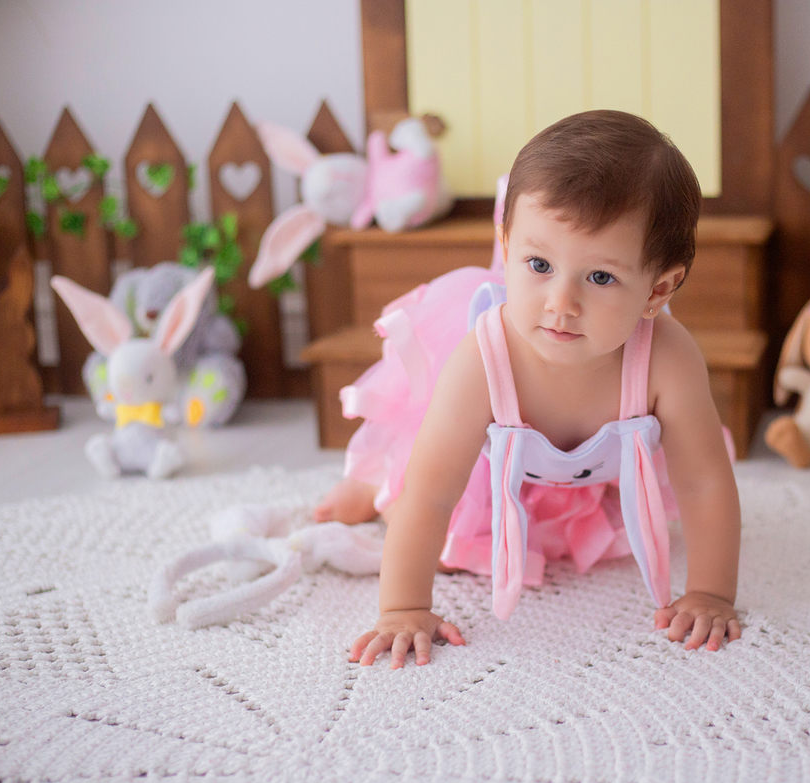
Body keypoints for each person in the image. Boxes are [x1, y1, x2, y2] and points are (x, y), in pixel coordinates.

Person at [317, 110, 742, 668]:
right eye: (538, 264)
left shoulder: (667, 358)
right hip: (489, 458)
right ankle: (370, 483)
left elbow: (704, 481)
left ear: (658, 290)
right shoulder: (483, 358)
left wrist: (711, 593)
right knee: (431, 521)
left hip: (594, 466)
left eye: (600, 277)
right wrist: (402, 608)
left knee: (578, 530)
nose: (560, 303)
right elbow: (432, 492)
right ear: (507, 245)